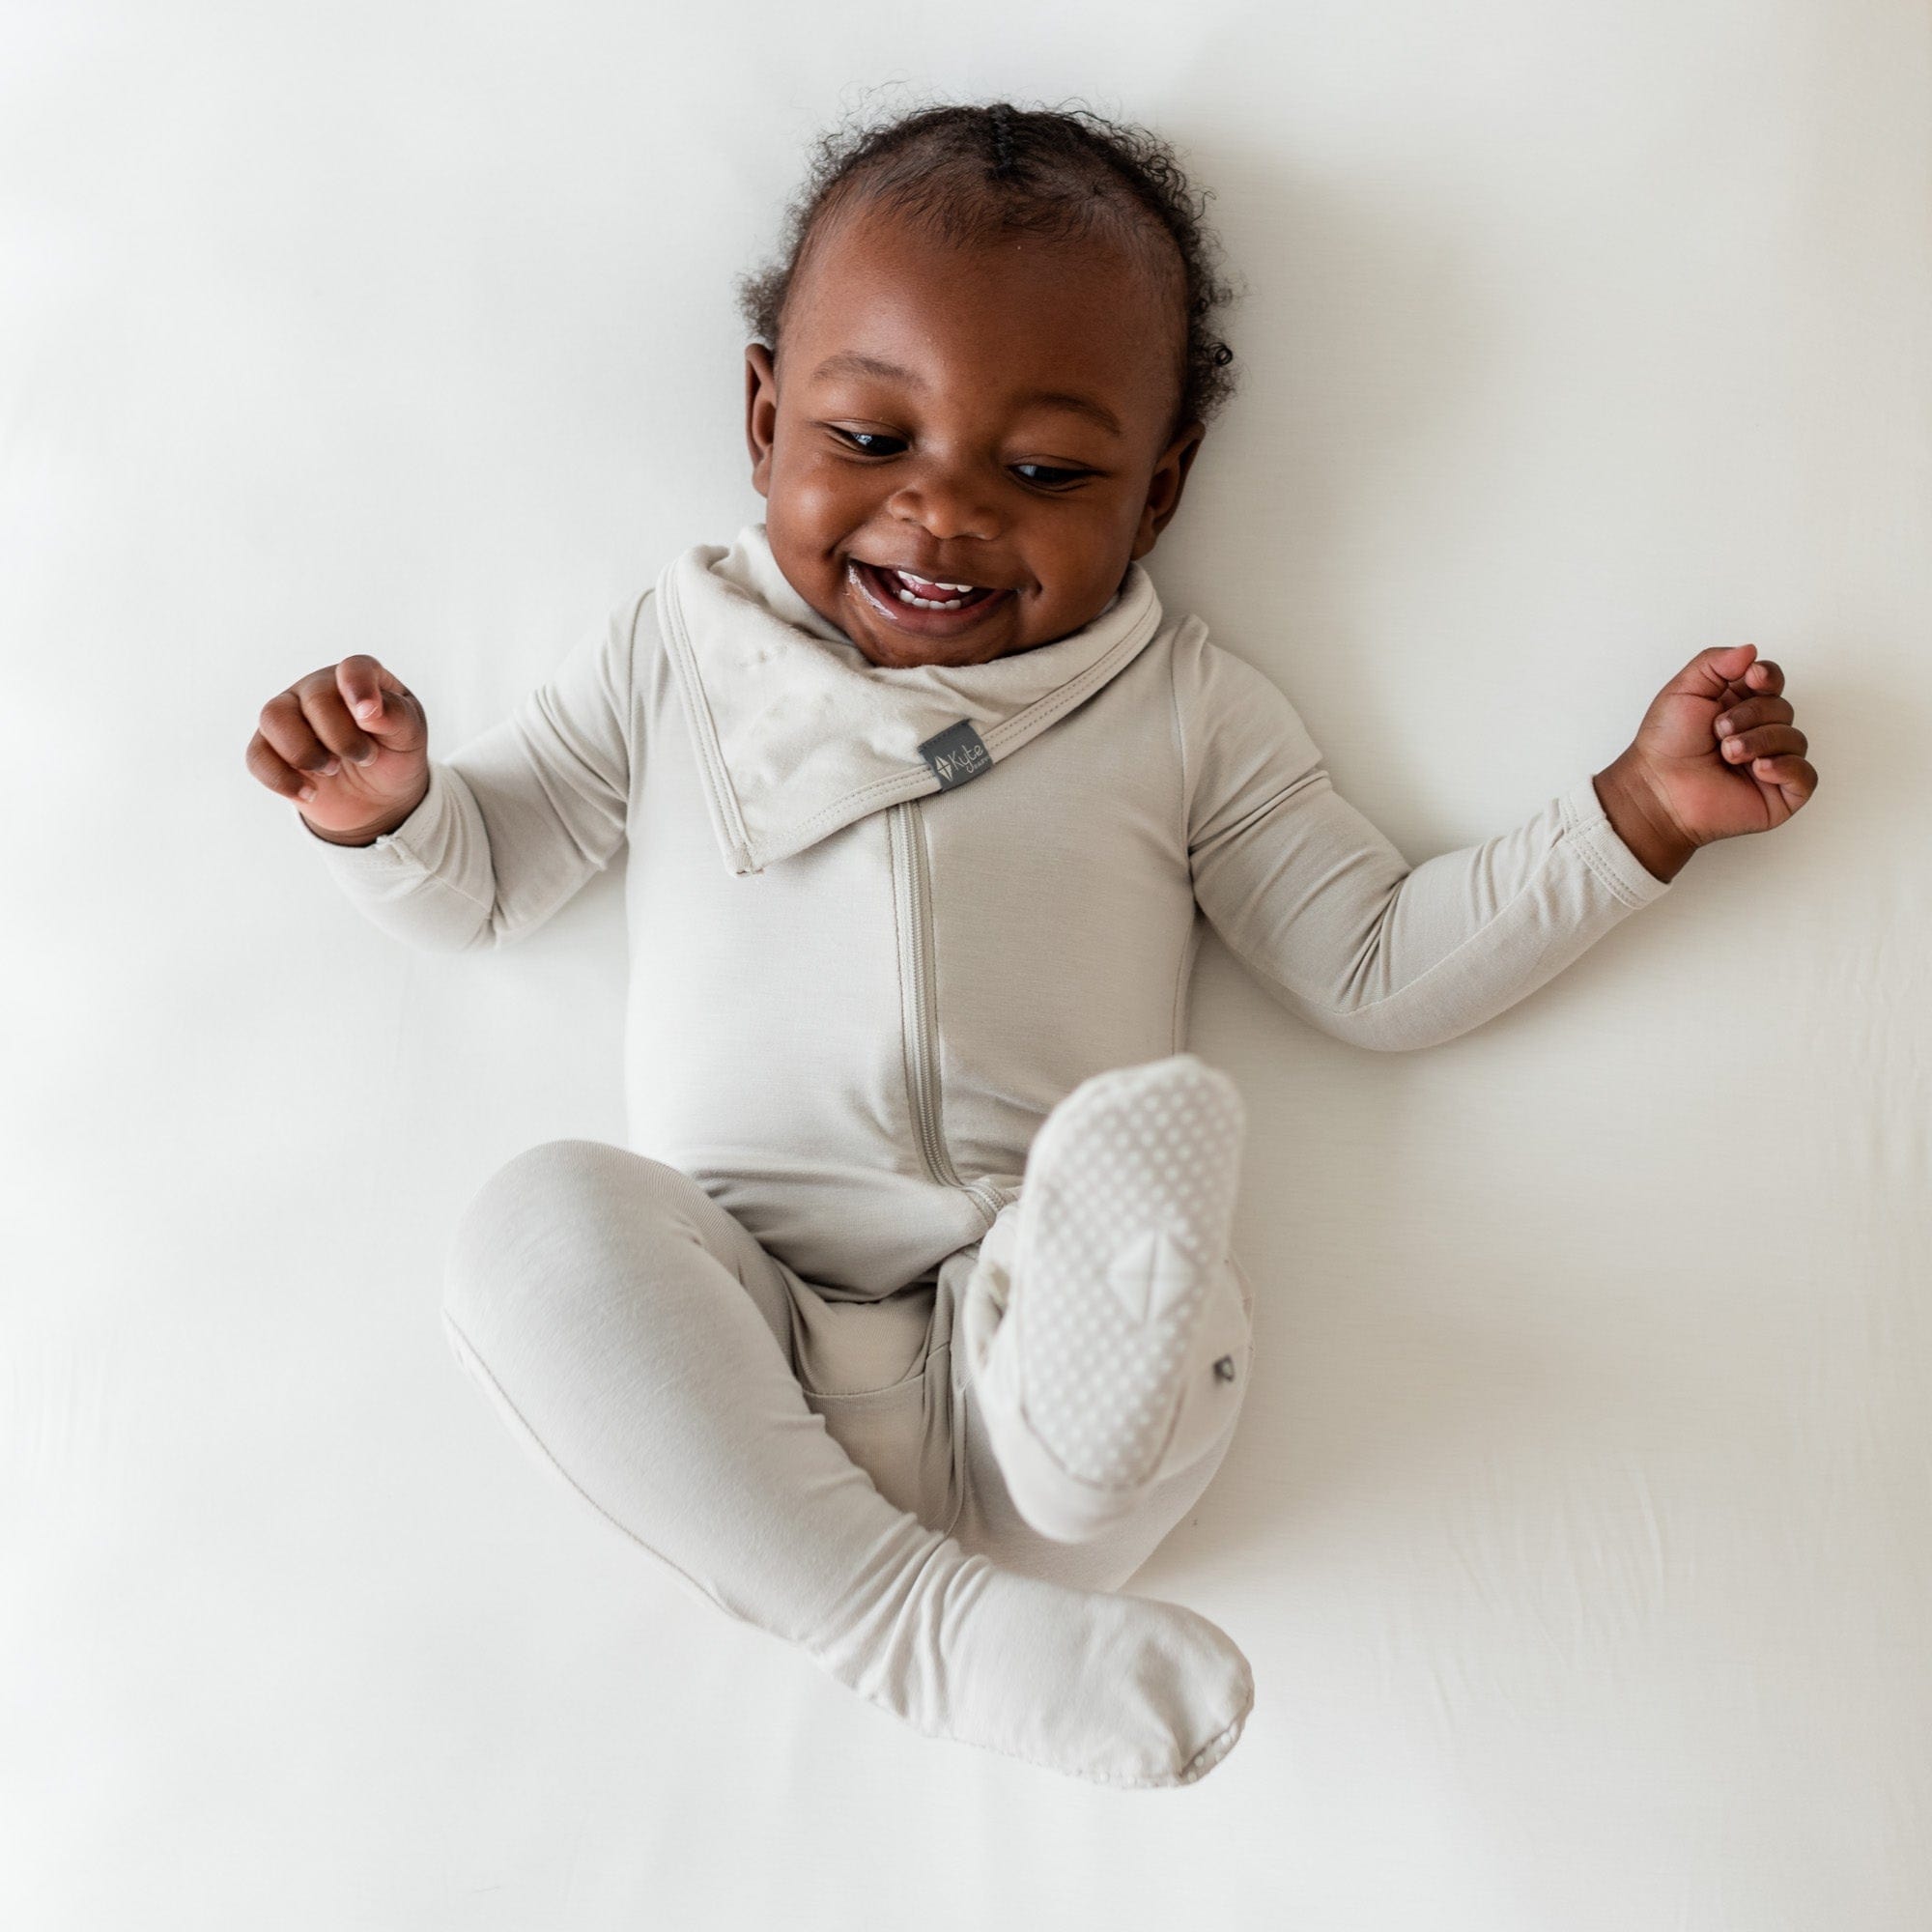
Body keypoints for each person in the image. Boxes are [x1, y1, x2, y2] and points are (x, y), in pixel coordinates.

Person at [243, 102, 1817, 1788]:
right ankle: (910, 1629)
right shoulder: (672, 655)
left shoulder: (1182, 708)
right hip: (750, 1346)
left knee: (1136, 1229)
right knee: (535, 1226)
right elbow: (495, 877)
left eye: (1048, 471)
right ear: (765, 413)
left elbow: (1371, 966)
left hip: (1042, 1366)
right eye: (866, 437)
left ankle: (1017, 1502)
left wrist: (1630, 820)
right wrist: (388, 815)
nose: (943, 516)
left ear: (1161, 490)